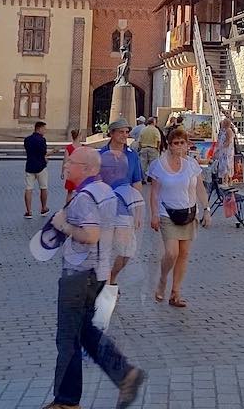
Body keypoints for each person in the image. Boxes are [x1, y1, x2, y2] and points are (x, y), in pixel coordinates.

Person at [45, 145, 145, 409]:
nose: (66, 166)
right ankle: (125, 373)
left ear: (88, 168)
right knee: (85, 332)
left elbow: (90, 235)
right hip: (98, 272)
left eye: (72, 163)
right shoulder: (104, 191)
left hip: (79, 274)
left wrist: (62, 225)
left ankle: (66, 401)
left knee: (68, 337)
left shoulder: (86, 196)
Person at [147, 126, 210, 307]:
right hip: (167, 212)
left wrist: (206, 209)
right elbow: (154, 193)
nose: (179, 146)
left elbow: (199, 188)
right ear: (169, 145)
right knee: (171, 252)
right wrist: (154, 215)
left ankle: (175, 292)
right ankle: (163, 279)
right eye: (176, 143)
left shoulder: (192, 165)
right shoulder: (159, 165)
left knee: (184, 253)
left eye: (182, 143)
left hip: (189, 213)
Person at [97, 118, 144, 286]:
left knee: (127, 251)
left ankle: (112, 276)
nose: (125, 135)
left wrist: (138, 211)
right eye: (121, 132)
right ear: (112, 133)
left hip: (125, 210)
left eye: (127, 132)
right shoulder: (100, 155)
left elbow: (137, 183)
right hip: (104, 209)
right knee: (103, 250)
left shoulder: (132, 156)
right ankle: (102, 283)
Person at [24, 120, 50, 218]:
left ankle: (29, 211)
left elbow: (29, 152)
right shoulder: (42, 140)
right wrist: (45, 159)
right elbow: (43, 152)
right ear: (39, 128)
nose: (45, 131)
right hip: (41, 167)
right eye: (44, 129)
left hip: (30, 166)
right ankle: (43, 208)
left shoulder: (27, 140)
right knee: (43, 188)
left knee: (28, 188)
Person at [211, 117, 236, 187]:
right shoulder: (222, 131)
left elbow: (229, 141)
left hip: (227, 151)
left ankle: (227, 181)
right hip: (222, 151)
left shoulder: (229, 131)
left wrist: (222, 147)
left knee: (226, 165)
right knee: (222, 165)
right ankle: (223, 180)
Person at [61, 128, 81, 197]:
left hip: (71, 172)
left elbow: (65, 161)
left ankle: (68, 206)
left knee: (69, 192)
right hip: (80, 172)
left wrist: (62, 172)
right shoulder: (82, 148)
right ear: (79, 136)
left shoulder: (69, 148)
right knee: (80, 192)